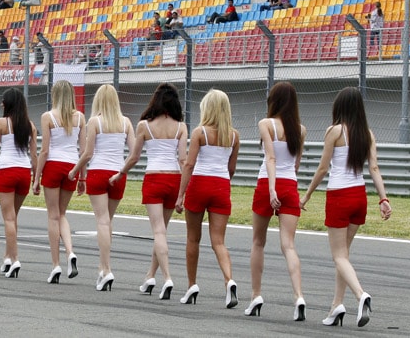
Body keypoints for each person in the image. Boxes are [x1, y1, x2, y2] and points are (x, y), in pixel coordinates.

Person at [300, 87, 392, 328]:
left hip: (339, 196)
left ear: (339, 107)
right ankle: (336, 306)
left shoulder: (334, 131)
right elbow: (374, 169)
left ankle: (361, 295)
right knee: (344, 257)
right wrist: (383, 200)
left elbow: (322, 169)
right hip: (359, 196)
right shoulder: (367, 134)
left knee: (338, 256)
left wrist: (306, 196)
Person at [110, 83, 186, 300]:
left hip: (154, 179)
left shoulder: (144, 125)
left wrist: (119, 173)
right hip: (174, 179)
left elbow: (134, 157)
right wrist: (183, 191)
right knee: (162, 231)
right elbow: (183, 160)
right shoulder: (181, 127)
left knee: (158, 232)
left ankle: (168, 277)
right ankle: (150, 276)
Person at [245, 82, 307, 320]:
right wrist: (286, 187)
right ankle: (299, 295)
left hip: (267, 185)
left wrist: (272, 190)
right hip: (290, 184)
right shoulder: (300, 129)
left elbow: (270, 157)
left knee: (258, 242)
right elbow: (296, 164)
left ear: (274, 100)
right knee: (289, 245)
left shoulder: (266, 124)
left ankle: (256, 295)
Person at [174, 89, 240, 308]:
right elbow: (231, 169)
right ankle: (229, 280)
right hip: (221, 185)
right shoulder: (233, 135)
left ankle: (192, 285)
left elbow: (189, 164)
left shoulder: (200, 132)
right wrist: (221, 183)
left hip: (199, 184)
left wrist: (181, 194)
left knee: (193, 239)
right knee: (219, 241)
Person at [68, 84, 135, 291]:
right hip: (117, 174)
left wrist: (76, 171)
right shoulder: (126, 123)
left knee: (102, 221)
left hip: (98, 172)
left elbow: (87, 154)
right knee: (108, 221)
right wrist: (122, 171)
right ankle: (103, 267)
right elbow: (133, 153)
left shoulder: (95, 121)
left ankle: (106, 269)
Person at [0, 88, 37, 278]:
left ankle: (14, 259)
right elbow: (34, 156)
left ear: (9, 103)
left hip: (7, 171)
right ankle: (7, 257)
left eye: (3, 101)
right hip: (24, 172)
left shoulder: (1, 123)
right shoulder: (30, 125)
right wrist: (36, 178)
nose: (1, 104)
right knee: (13, 217)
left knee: (8, 219)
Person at [33, 80, 87, 284]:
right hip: (72, 167)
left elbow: (44, 150)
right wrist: (83, 176)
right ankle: (70, 252)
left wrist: (37, 177)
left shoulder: (48, 116)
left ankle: (55, 264)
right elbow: (83, 151)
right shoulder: (80, 117)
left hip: (54, 166)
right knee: (62, 214)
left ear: (55, 95)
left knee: (52, 216)